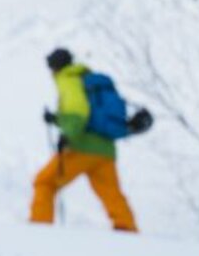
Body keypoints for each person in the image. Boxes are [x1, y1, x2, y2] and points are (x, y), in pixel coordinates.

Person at [29, 48, 137, 232]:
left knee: (44, 182)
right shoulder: (86, 78)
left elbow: (79, 112)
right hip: (105, 150)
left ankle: (39, 229)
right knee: (112, 194)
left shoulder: (68, 79)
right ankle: (128, 230)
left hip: (81, 147)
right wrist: (56, 119)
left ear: (55, 67)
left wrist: (68, 135)